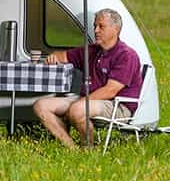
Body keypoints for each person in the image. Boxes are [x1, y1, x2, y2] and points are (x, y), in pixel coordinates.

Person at [33, 8, 142, 148]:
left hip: (117, 105)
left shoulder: (126, 55)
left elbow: (110, 91)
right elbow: (63, 56)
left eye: (101, 26)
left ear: (116, 29)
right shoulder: (91, 50)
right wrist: (53, 57)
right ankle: (71, 148)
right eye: (95, 26)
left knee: (78, 109)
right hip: (89, 100)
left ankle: (88, 149)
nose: (96, 30)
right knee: (41, 106)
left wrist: (81, 102)